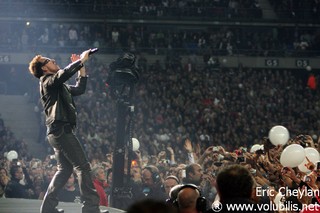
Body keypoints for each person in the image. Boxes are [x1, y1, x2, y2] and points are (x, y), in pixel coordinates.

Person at [28, 49, 107, 213]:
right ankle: (91, 208)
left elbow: (79, 89)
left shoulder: (58, 86)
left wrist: (82, 69)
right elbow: (63, 74)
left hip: (58, 131)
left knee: (65, 170)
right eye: (49, 60)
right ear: (43, 68)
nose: (54, 60)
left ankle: (48, 208)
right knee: (83, 167)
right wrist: (81, 61)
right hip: (61, 130)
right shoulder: (47, 81)